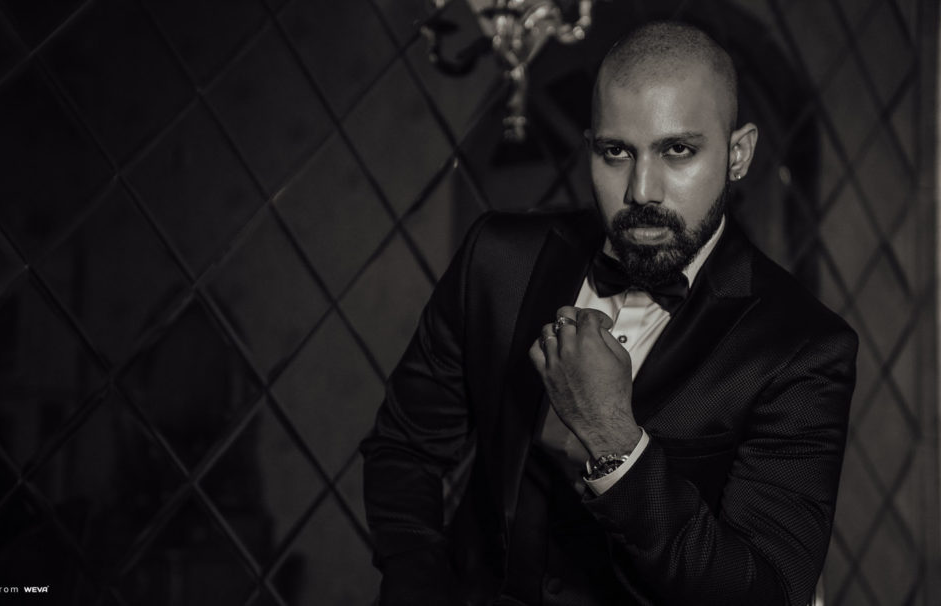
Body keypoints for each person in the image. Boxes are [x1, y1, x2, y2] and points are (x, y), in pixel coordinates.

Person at [361, 20, 857, 606]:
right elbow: (406, 449)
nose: (641, 190)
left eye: (678, 150)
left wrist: (611, 436)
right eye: (616, 152)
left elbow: (765, 592)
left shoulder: (802, 347)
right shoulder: (497, 259)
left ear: (738, 154)